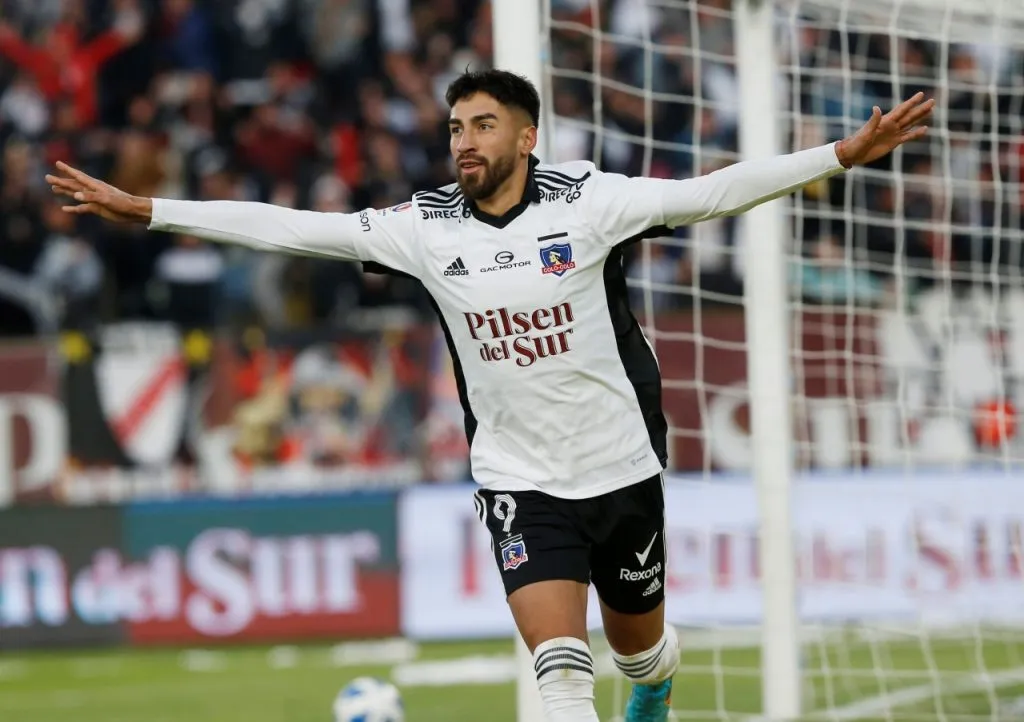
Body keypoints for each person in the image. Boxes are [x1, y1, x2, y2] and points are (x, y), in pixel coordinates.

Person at [47, 70, 933, 722]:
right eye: (454, 128)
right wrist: (152, 210)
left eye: (482, 125)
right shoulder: (425, 228)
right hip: (519, 476)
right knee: (561, 672)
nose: (463, 141)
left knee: (641, 654)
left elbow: (712, 194)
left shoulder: (589, 202)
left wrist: (839, 156)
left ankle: (656, 686)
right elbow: (295, 229)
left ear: (527, 137)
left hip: (620, 464)